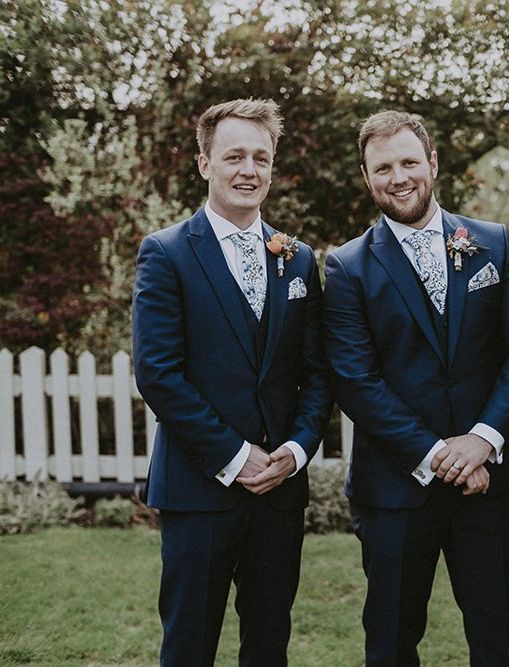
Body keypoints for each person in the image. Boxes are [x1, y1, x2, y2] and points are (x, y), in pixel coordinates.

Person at [323, 110, 509, 666]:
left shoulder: (491, 244)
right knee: (392, 642)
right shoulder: (348, 268)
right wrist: (438, 454)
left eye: (408, 162)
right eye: (383, 168)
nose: (398, 178)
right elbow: (356, 379)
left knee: (497, 639)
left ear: (433, 163)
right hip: (396, 489)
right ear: (366, 175)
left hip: (488, 485)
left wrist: (482, 441)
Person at [132, 98, 331, 666]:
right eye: (235, 156)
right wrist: (234, 455)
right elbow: (158, 373)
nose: (249, 170)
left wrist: (294, 451)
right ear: (204, 164)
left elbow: (317, 372)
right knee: (190, 645)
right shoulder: (166, 253)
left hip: (279, 491)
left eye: (261, 158)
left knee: (269, 644)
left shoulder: (296, 259)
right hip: (199, 489)